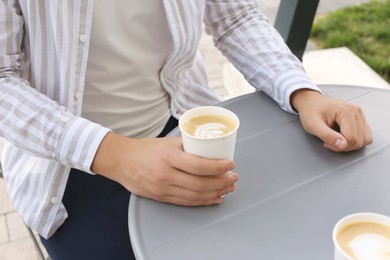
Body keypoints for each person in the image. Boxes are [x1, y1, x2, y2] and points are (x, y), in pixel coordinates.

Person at [0, 1, 372, 259]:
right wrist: (114, 154)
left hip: (184, 125)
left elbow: (235, 17)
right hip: (68, 169)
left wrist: (302, 92)